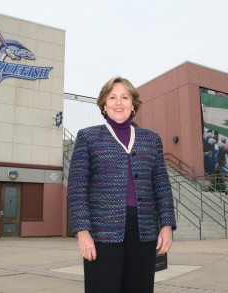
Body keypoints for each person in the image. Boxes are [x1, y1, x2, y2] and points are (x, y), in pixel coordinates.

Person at [67, 76, 177, 293]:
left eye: (125, 97)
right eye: (112, 97)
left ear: (133, 104)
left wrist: (166, 226)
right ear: (104, 104)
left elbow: (162, 187)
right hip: (101, 234)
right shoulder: (88, 137)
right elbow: (77, 189)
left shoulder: (151, 139)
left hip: (143, 232)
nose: (119, 103)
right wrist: (82, 231)